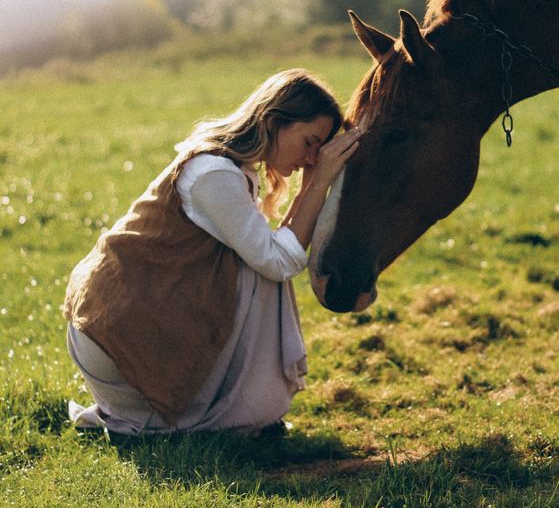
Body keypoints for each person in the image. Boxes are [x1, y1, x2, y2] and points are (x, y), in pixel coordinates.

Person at [64, 68, 361, 436]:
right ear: (273, 121)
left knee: (257, 262)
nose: (312, 158)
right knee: (262, 269)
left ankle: (237, 410)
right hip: (117, 339)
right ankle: (235, 413)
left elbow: (275, 253)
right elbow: (278, 261)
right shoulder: (213, 173)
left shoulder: (230, 167)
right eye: (310, 142)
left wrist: (313, 184)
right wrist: (319, 183)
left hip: (135, 327)